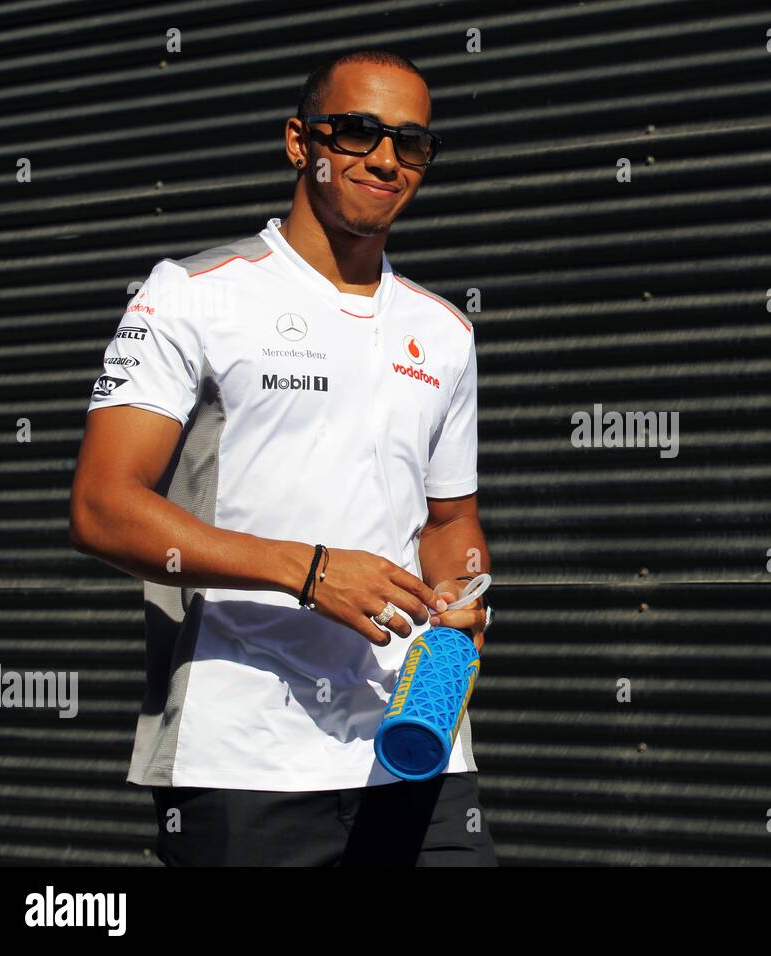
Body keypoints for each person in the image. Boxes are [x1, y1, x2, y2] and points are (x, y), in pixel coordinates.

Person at [67, 49, 497, 866]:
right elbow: (100, 508)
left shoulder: (444, 331)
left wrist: (465, 591)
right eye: (359, 131)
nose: (385, 158)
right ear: (301, 142)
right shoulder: (193, 293)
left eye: (412, 143)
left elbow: (452, 521)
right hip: (242, 758)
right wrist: (307, 570)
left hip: (417, 749)